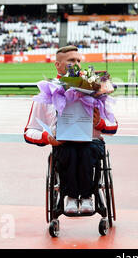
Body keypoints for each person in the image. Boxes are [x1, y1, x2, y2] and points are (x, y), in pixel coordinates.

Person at [24, 45, 118, 215]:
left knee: (87, 150)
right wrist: (47, 137)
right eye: (71, 61)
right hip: (63, 144)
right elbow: (29, 131)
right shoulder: (48, 92)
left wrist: (99, 123)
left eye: (78, 60)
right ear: (58, 65)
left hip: (92, 143)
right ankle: (72, 197)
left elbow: (114, 126)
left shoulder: (95, 88)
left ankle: (88, 196)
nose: (76, 64)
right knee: (69, 151)